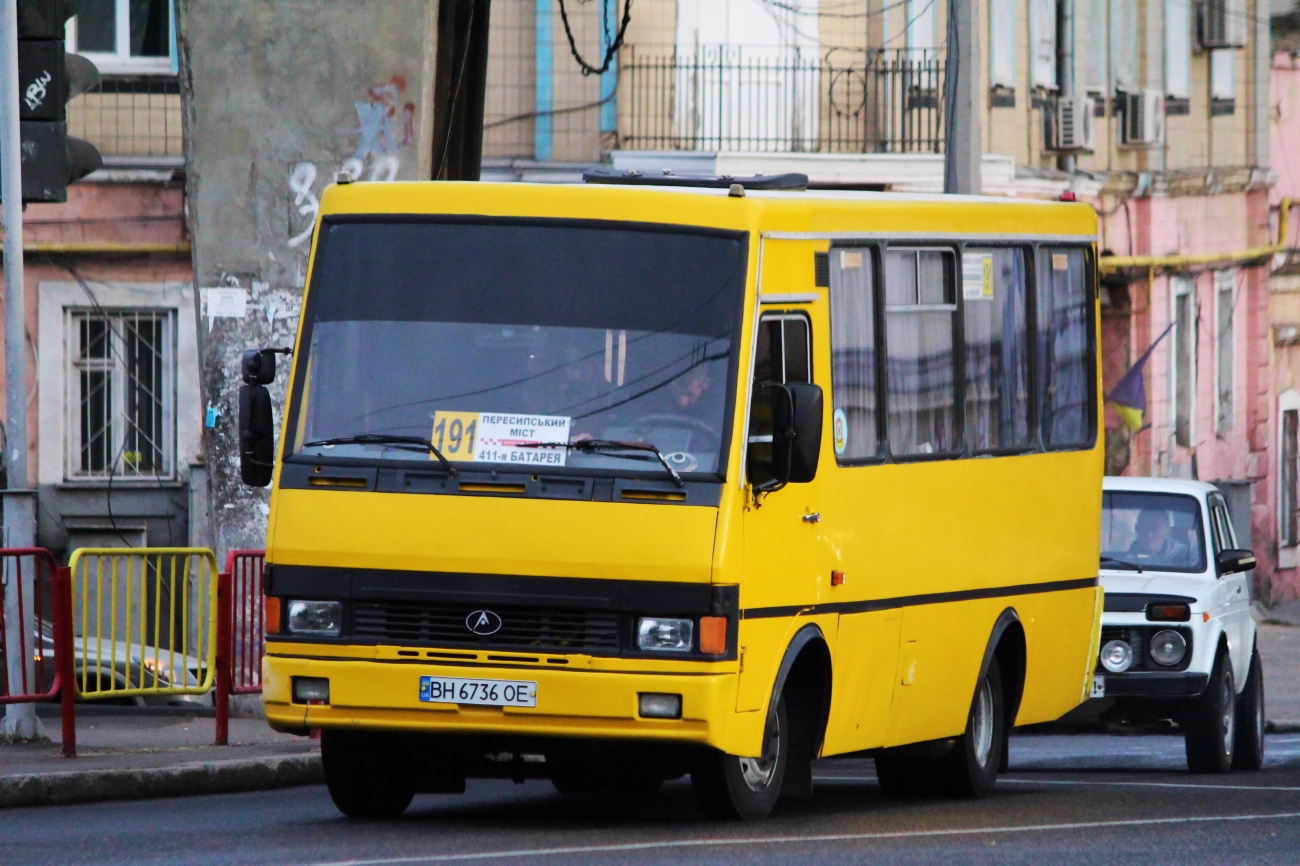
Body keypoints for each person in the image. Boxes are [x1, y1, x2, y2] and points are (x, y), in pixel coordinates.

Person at [1126, 509, 1192, 568]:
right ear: (1136, 529)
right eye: (1143, 528)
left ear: (1168, 530)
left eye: (1156, 528)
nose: (1149, 534)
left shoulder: (1187, 560)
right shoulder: (1123, 561)